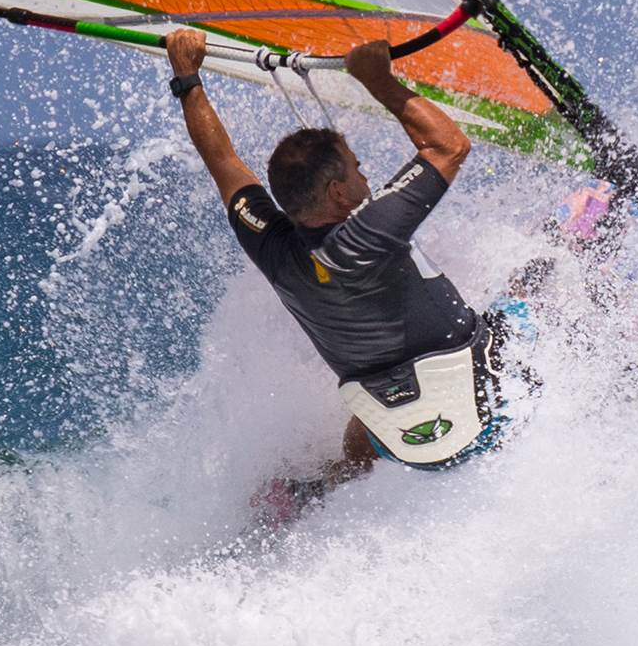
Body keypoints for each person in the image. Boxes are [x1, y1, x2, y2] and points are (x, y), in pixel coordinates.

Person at [162, 28, 518, 492]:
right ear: (337, 192)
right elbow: (449, 146)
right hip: (491, 420)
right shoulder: (370, 231)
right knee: (533, 289)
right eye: (357, 169)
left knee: (365, 428)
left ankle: (319, 488)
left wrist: (187, 78)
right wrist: (377, 79)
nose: (365, 178)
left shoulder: (272, 248)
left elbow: (224, 162)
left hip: (412, 450)